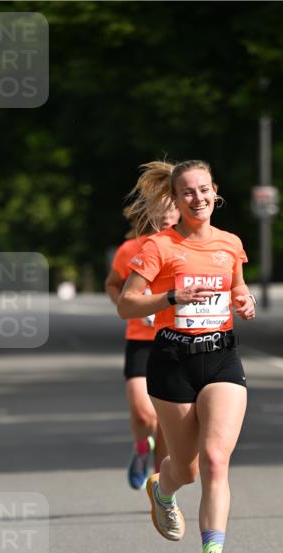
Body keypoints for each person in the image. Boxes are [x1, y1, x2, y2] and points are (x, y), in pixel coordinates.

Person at [118, 160, 256, 553]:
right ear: (175, 201)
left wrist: (245, 300)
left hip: (221, 358)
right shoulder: (160, 246)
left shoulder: (230, 244)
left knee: (216, 458)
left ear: (215, 192)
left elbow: (237, 286)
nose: (198, 199)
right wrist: (171, 296)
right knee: (187, 469)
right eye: (188, 193)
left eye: (204, 190)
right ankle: (163, 488)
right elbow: (127, 304)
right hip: (172, 360)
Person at [106, 195, 180, 488]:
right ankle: (140, 450)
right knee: (143, 413)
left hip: (175, 339)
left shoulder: (187, 247)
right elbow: (113, 284)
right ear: (147, 212)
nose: (165, 214)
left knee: (166, 422)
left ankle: (161, 485)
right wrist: (125, 307)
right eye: (159, 208)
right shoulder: (130, 249)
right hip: (141, 340)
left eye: (172, 207)